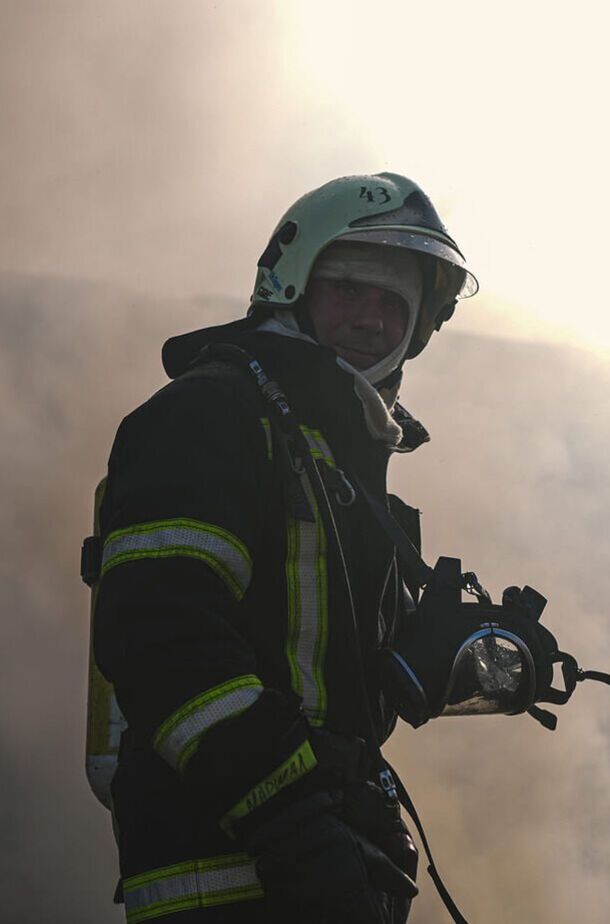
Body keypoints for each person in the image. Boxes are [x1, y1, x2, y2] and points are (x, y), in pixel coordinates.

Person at [90, 173, 478, 924]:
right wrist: (291, 822)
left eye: (394, 303)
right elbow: (162, 640)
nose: (372, 318)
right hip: (228, 870)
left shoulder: (333, 453)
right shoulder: (210, 415)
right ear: (292, 288)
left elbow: (314, 672)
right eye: (349, 289)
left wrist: (431, 658)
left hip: (329, 852)